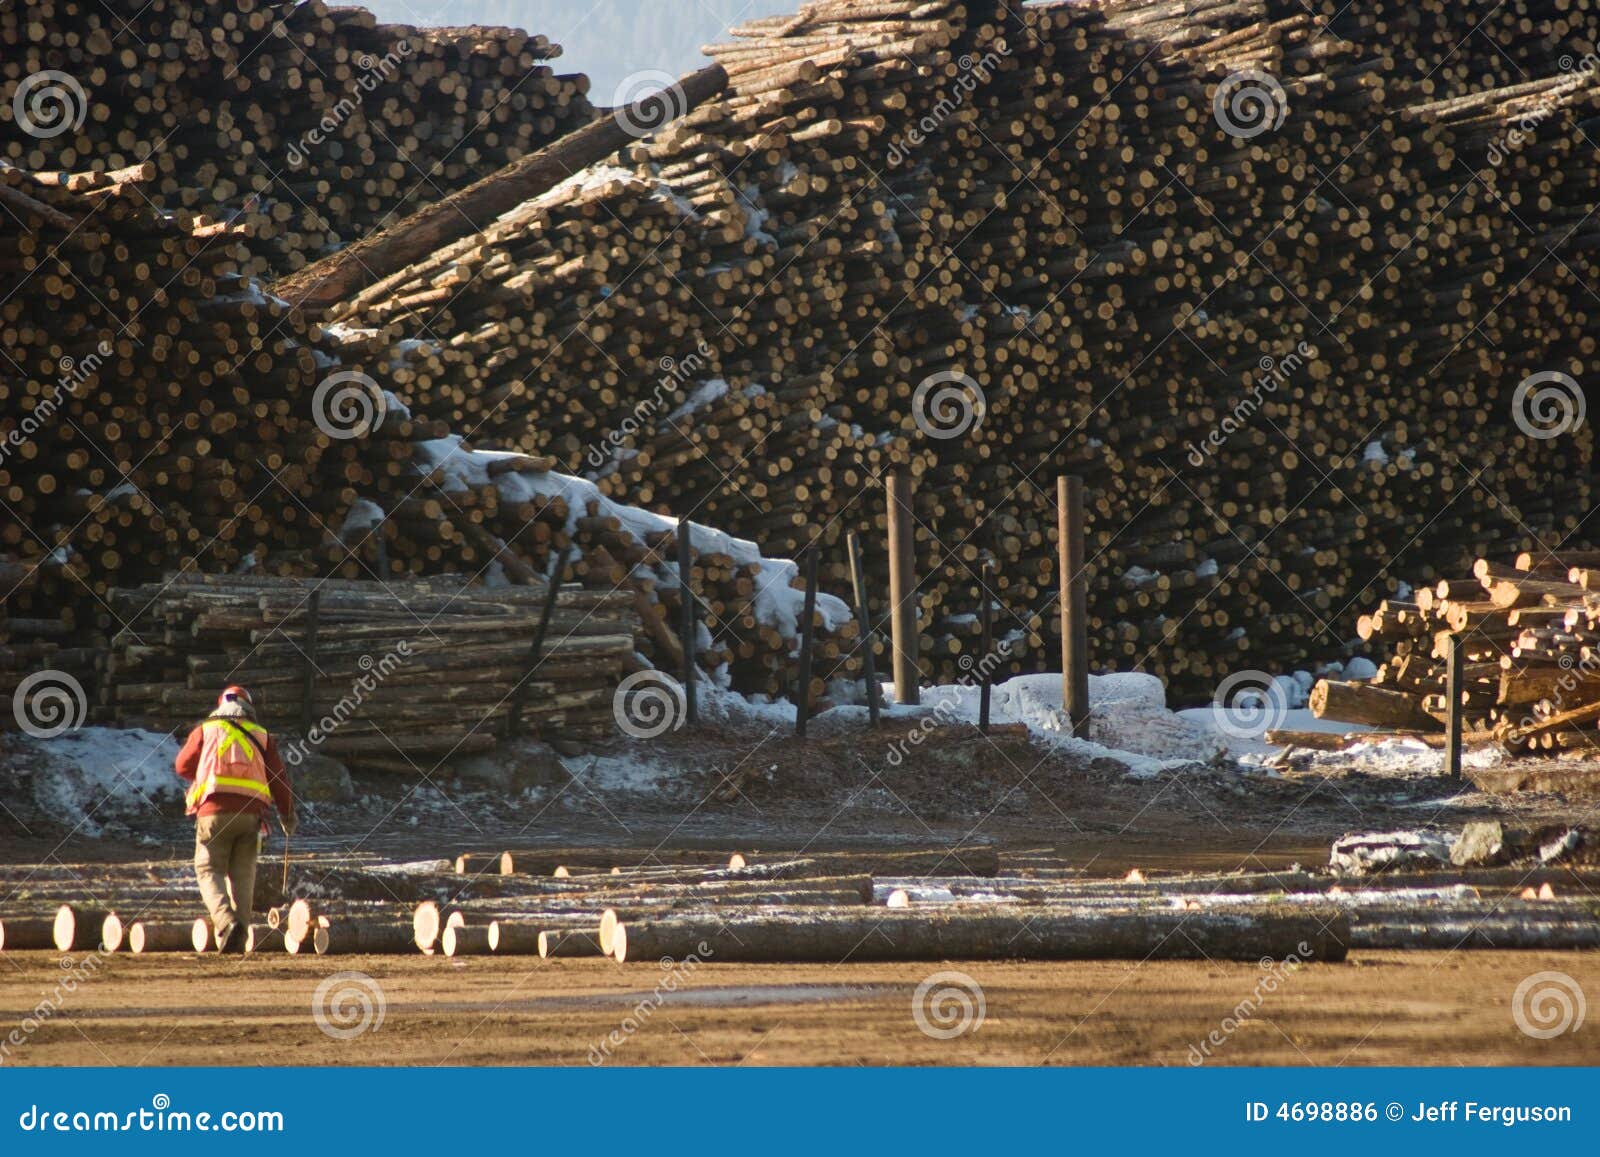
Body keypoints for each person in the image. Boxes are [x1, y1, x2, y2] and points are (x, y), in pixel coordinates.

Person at [174, 685, 296, 952]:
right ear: (249, 707)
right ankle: (239, 937)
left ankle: (226, 922)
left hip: (213, 813)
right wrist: (287, 814)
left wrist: (206, 765)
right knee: (243, 875)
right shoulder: (262, 736)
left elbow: (182, 766)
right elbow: (279, 780)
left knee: (208, 869)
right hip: (251, 817)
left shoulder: (205, 730)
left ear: (220, 705)